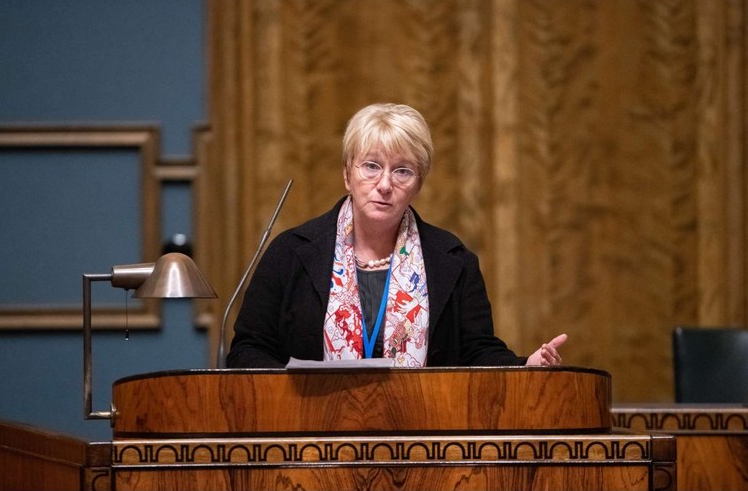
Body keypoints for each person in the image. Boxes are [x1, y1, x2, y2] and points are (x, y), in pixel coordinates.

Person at [227, 103, 567, 368]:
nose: (385, 184)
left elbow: (478, 353)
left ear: (417, 186)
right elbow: (248, 351)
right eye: (371, 166)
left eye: (402, 171)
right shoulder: (291, 253)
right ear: (347, 174)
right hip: (313, 441)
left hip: (422, 442)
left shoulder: (452, 260)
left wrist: (527, 366)